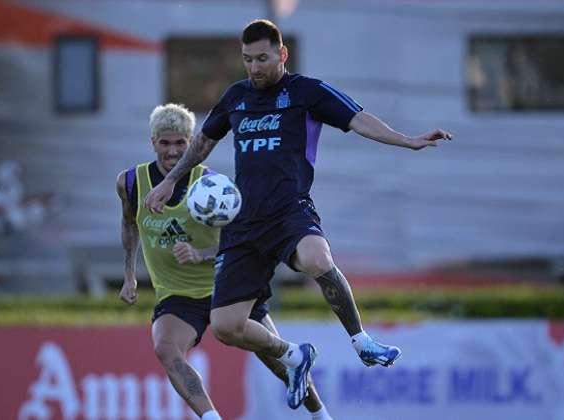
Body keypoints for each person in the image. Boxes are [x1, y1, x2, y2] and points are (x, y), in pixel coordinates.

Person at [144, 19, 454, 409]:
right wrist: (171, 179)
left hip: (290, 211)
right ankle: (293, 354)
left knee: (316, 258)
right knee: (225, 327)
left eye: (262, 58)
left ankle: (361, 340)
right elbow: (203, 142)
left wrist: (407, 141)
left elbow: (358, 119)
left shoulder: (306, 92)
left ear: (281, 54)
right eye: (247, 60)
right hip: (244, 222)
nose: (254, 68)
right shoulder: (236, 96)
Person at [117, 103, 333, 420]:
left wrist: (201, 254)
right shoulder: (132, 183)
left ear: (192, 143)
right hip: (178, 297)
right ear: (153, 142)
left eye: (180, 143)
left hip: (228, 288)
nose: (173, 151)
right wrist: (129, 275)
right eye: (165, 143)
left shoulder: (213, 186)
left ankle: (320, 414)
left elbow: (242, 241)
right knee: (166, 349)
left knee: (278, 361)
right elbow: (129, 223)